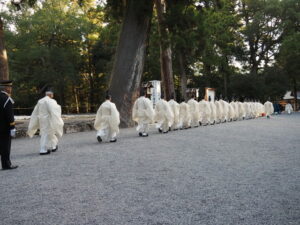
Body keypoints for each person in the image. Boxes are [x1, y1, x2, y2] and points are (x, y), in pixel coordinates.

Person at [27, 87, 64, 155]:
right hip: (48, 120)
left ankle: (53, 146)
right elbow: (54, 111)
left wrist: (35, 120)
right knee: (46, 134)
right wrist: (58, 119)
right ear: (50, 95)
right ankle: (42, 149)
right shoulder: (51, 101)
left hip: (42, 120)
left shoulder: (40, 101)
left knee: (50, 133)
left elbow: (35, 111)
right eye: (52, 94)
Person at [0, 80, 18, 170]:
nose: (11, 89)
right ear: (6, 88)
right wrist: (12, 127)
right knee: (5, 147)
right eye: (10, 87)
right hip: (4, 128)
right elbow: (9, 115)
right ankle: (6, 164)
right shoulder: (7, 99)